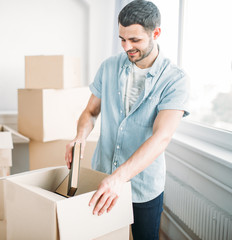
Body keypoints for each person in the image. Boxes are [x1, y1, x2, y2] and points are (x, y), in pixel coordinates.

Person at [65, 1, 189, 239]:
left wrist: (119, 178)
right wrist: (79, 138)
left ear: (156, 33)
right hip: (102, 178)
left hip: (143, 187)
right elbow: (90, 112)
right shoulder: (109, 67)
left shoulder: (175, 80)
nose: (126, 47)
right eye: (122, 39)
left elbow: (161, 137)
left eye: (135, 40)